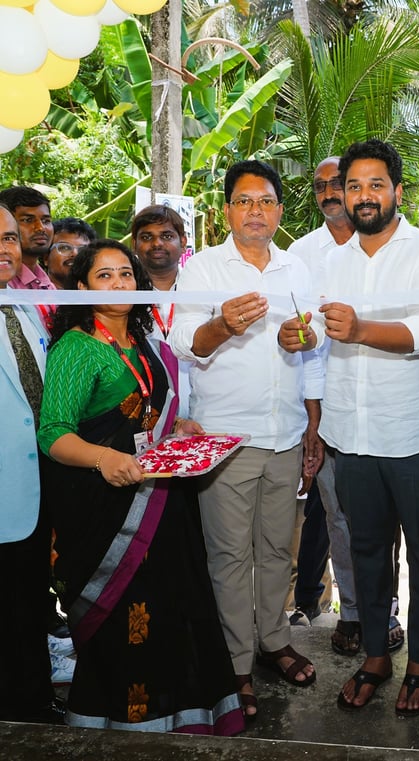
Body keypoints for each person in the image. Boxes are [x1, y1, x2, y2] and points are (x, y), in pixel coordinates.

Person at [36, 239, 244, 735]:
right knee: (123, 618)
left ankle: (178, 717)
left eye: (125, 274)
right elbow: (53, 433)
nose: (118, 284)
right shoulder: (76, 349)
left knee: (171, 607)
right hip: (104, 506)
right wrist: (105, 458)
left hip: (162, 499)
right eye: (103, 276)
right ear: (81, 287)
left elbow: (149, 413)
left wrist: (178, 428)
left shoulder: (144, 340)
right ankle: (123, 723)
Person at [168, 160, 323, 716]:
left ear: (279, 210)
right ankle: (235, 661)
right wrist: (221, 326)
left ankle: (274, 640)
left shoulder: (296, 267)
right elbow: (183, 341)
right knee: (230, 555)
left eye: (265, 201)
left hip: (286, 433)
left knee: (278, 548)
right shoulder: (203, 268)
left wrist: (304, 340)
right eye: (243, 201)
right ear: (227, 210)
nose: (255, 211)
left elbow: (313, 342)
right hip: (227, 439)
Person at [313, 139, 419, 716]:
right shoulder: (332, 261)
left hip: (415, 432)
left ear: (397, 191)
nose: (364, 196)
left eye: (376, 185)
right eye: (354, 186)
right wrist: (299, 336)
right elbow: (318, 332)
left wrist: (360, 329)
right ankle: (376, 654)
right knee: (367, 550)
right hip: (351, 434)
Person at [287, 157, 361, 651]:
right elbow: (299, 339)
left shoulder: (386, 246)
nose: (330, 193)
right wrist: (312, 419)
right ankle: (352, 612)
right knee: (338, 516)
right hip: (322, 405)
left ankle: (386, 610)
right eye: (321, 186)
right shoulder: (300, 255)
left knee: (384, 520)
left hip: (384, 404)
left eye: (339, 184)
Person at [0, 203, 64, 725]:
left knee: (26, 603)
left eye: (7, 237)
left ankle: (33, 703)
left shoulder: (21, 305)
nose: (4, 248)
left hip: (34, 485)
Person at [131, 204, 191, 416]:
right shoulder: (124, 296)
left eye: (167, 236)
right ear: (134, 244)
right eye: (147, 237)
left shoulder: (200, 290)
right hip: (142, 415)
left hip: (201, 412)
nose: (157, 243)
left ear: (183, 242)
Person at [0, 186, 55, 328]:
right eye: (28, 220)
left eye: (46, 220)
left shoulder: (46, 283)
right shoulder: (5, 282)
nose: (40, 228)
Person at [44, 218, 96, 290]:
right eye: (65, 248)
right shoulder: (32, 293)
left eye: (82, 250)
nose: (75, 254)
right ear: (46, 258)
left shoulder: (100, 294)